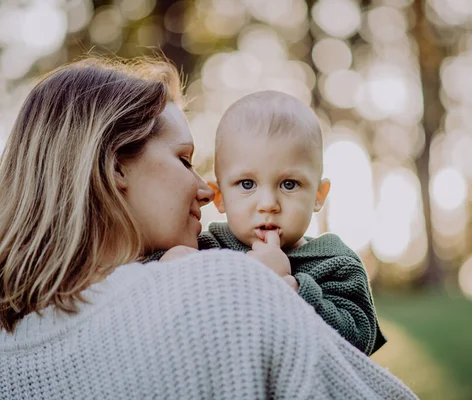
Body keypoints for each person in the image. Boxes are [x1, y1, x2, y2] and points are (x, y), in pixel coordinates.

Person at [0, 57, 418, 399]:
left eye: (288, 184)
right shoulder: (220, 287)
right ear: (113, 167)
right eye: (184, 160)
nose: (204, 190)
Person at [148, 91, 386, 356]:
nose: (268, 203)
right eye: (247, 184)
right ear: (220, 197)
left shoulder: (335, 262)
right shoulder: (206, 251)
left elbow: (359, 339)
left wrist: (289, 287)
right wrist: (167, 266)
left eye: (289, 184)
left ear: (318, 196)